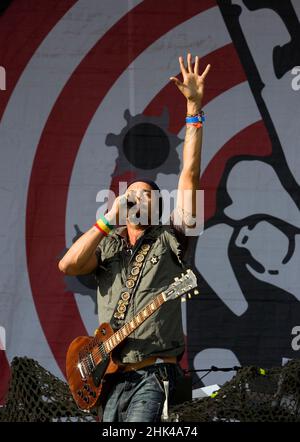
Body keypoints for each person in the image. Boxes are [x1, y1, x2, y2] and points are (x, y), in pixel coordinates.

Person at [58, 53, 210, 422]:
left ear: (158, 207)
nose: (138, 198)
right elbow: (68, 264)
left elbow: (189, 176)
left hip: (154, 376)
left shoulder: (169, 239)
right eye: (133, 193)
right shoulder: (109, 244)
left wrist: (194, 108)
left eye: (147, 195)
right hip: (111, 379)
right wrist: (109, 219)